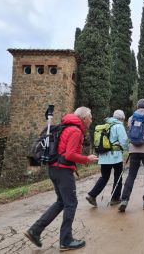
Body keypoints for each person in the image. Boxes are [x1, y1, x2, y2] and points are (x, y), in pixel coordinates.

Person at [24, 107, 98, 251]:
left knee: (61, 202)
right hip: (63, 171)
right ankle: (66, 240)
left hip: (54, 169)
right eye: (90, 117)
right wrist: (86, 159)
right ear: (83, 118)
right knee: (71, 203)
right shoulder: (76, 131)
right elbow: (69, 155)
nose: (91, 119)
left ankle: (35, 231)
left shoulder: (67, 127)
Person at [118, 99, 144, 212]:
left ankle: (124, 200)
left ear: (137, 107)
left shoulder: (131, 118)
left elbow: (130, 133)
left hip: (133, 150)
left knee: (131, 175)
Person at [86, 110, 129, 207]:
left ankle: (92, 195)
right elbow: (124, 141)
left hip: (104, 156)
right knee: (118, 177)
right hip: (115, 157)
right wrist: (128, 149)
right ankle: (115, 198)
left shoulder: (106, 125)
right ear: (121, 118)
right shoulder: (119, 126)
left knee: (104, 177)